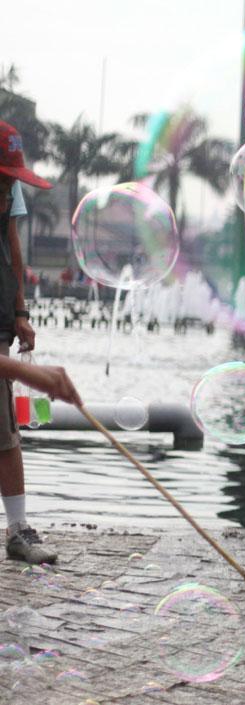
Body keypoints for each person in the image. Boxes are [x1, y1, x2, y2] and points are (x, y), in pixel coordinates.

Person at [0, 120, 60, 564]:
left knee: (6, 430)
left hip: (1, 321)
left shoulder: (7, 195)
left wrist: (20, 311)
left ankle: (19, 530)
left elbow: (12, 244)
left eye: (11, 180)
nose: (7, 189)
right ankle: (18, 532)